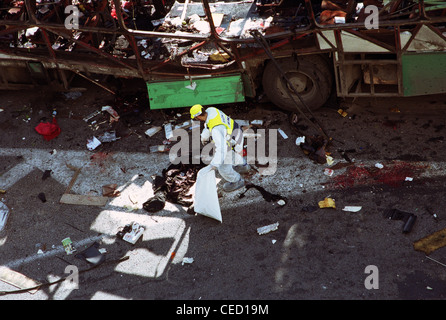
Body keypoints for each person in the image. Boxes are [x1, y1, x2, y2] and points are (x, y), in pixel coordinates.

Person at [190, 104, 249, 192]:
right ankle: (244, 167)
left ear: (198, 116)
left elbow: (222, 149)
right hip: (237, 133)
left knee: (223, 167)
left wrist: (214, 164)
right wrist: (204, 136)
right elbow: (208, 124)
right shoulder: (211, 110)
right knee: (233, 155)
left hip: (233, 142)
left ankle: (237, 181)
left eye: (195, 118)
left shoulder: (216, 130)